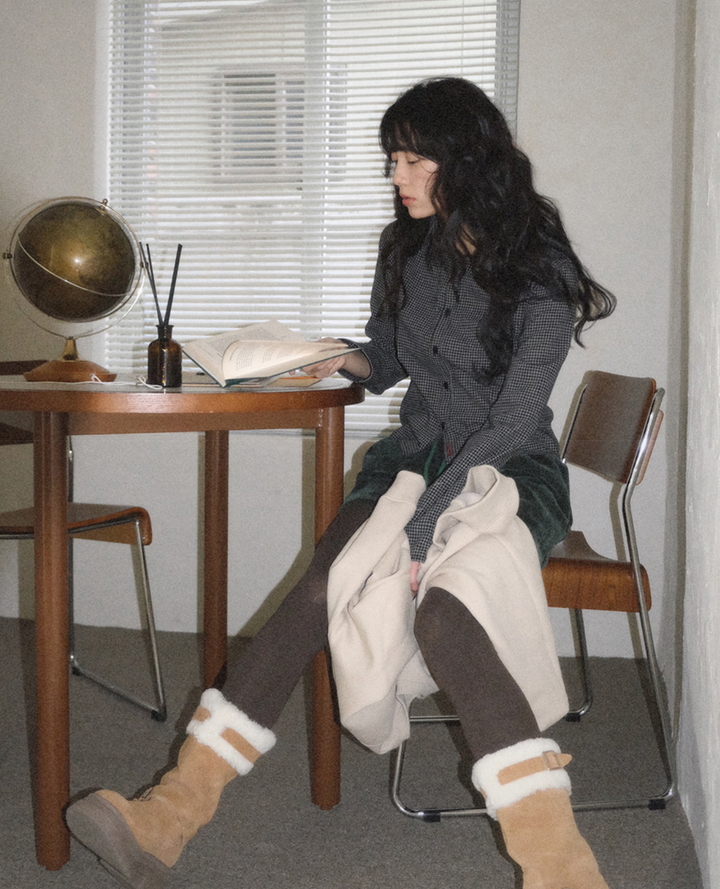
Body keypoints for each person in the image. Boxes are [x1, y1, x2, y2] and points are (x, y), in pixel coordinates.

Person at [67, 77, 615, 889]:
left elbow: (511, 420)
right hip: (410, 459)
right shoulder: (406, 249)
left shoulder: (538, 264)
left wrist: (425, 526)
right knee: (321, 588)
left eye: (413, 159)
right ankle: (166, 816)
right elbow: (388, 358)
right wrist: (335, 358)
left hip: (508, 471)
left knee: (448, 614)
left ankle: (565, 872)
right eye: (392, 158)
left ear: (467, 161)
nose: (396, 176)